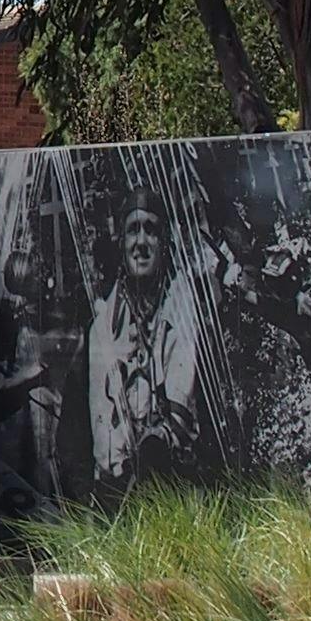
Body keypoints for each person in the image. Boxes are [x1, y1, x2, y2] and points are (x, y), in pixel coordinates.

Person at [88, 190, 203, 480]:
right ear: (122, 244)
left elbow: (183, 392)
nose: (140, 243)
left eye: (150, 231)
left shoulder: (183, 307)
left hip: (176, 479)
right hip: (121, 488)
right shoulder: (103, 327)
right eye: (132, 231)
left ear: (163, 244)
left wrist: (161, 439)